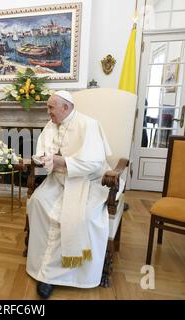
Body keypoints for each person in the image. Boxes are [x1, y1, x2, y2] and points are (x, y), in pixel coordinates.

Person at [26, 90, 112, 299]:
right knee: (37, 202)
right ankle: (42, 265)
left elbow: (93, 163)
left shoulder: (88, 125)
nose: (48, 112)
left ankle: (70, 272)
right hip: (58, 180)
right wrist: (44, 160)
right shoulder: (51, 124)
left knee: (82, 216)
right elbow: (43, 152)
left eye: (50, 108)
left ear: (65, 107)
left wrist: (60, 161)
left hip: (87, 183)